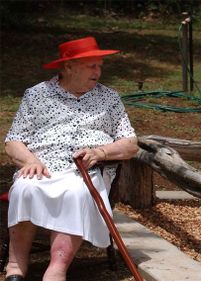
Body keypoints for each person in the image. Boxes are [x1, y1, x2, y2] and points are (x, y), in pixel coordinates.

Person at [4, 36, 138, 281]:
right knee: (24, 188)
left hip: (86, 171)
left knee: (76, 193)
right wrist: (30, 160)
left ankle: (56, 270)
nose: (98, 71)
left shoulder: (109, 98)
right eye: (92, 66)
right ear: (68, 67)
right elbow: (13, 141)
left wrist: (101, 152)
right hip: (42, 167)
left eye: (99, 65)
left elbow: (130, 144)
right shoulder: (36, 95)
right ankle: (15, 267)